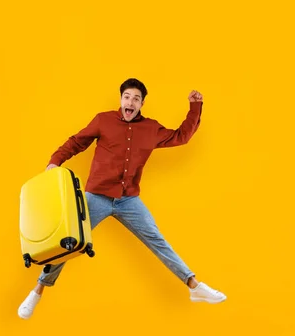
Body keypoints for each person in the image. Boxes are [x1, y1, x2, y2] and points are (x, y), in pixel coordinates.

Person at [18, 78, 227, 319]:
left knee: (157, 240)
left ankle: (194, 286)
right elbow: (77, 141)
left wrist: (195, 108)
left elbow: (181, 136)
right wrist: (55, 161)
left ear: (141, 104)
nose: (131, 102)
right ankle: (37, 292)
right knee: (69, 241)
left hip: (129, 200)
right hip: (96, 196)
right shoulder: (103, 120)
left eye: (136, 99)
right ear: (121, 99)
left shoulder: (151, 129)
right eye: (127, 97)